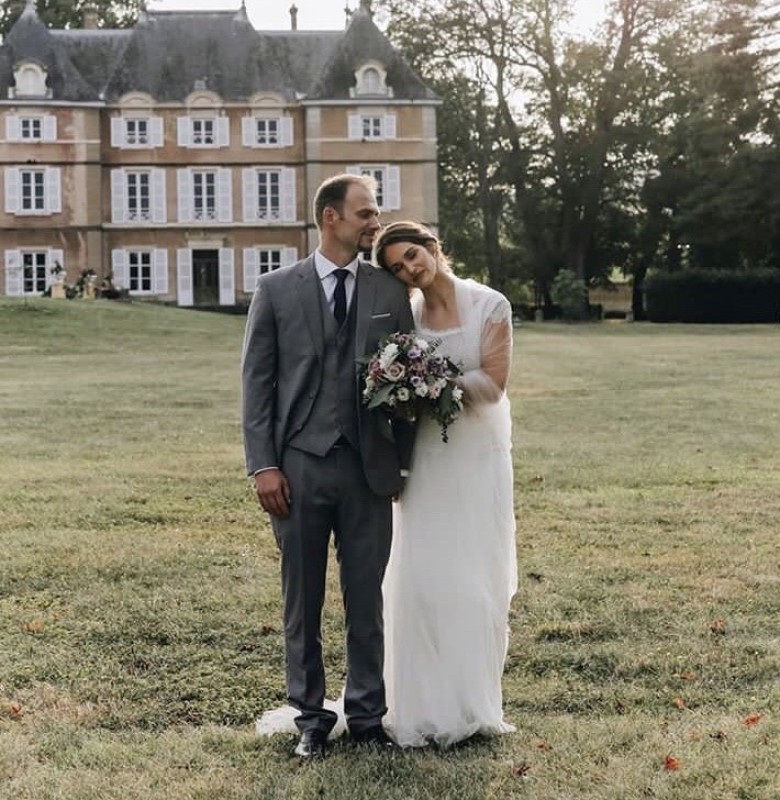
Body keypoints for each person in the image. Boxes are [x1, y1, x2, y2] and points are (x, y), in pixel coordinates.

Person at [241, 175, 415, 758]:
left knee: (367, 599)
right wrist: (264, 465)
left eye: (375, 212)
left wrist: (405, 464)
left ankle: (367, 717)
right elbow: (257, 387)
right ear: (329, 218)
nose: (374, 222)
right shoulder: (275, 289)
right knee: (302, 598)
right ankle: (312, 718)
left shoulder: (389, 293)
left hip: (370, 470)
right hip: (297, 468)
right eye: (365, 213)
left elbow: (411, 385)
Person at [372, 221, 518, 748]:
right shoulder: (405, 316)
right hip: (426, 457)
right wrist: (406, 386)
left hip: (477, 455)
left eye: (413, 255)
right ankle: (416, 702)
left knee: (476, 574)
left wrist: (435, 383)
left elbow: (494, 385)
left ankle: (471, 702)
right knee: (420, 572)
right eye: (396, 267)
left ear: (433, 247)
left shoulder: (489, 304)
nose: (410, 269)